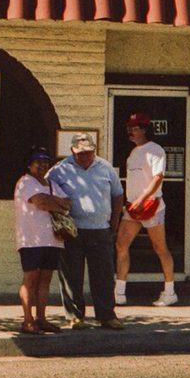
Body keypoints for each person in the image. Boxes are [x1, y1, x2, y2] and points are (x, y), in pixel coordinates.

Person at [48, 132, 126, 329]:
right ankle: (75, 316)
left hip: (100, 230)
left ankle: (107, 315)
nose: (84, 156)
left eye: (88, 152)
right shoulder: (59, 170)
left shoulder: (106, 168)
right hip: (72, 231)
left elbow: (118, 195)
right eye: (80, 153)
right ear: (72, 151)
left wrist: (115, 220)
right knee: (71, 276)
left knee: (104, 276)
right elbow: (44, 191)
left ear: (94, 150)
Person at [115, 113, 177, 307]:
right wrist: (132, 202)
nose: (130, 131)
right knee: (121, 245)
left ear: (144, 129)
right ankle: (119, 292)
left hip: (151, 206)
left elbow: (158, 177)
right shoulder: (134, 152)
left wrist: (142, 199)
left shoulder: (155, 150)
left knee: (160, 248)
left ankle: (170, 292)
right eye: (129, 128)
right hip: (132, 207)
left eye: (134, 128)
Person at [14, 148, 70, 335]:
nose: (42, 165)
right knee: (30, 279)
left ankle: (41, 318)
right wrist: (56, 203)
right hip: (31, 239)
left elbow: (68, 202)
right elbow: (40, 202)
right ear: (29, 165)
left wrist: (51, 199)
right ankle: (27, 320)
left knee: (45, 279)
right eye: (38, 162)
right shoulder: (25, 182)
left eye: (45, 162)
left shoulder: (52, 183)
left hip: (52, 239)